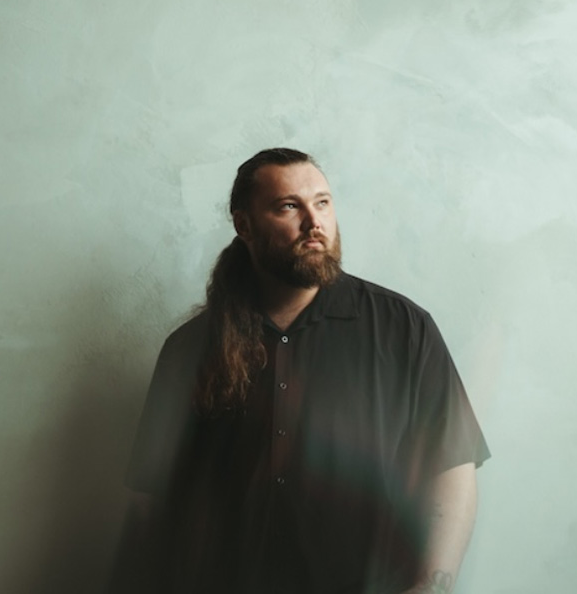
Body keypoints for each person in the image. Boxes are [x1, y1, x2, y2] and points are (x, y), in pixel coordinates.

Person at [113, 148, 490, 594]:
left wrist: (431, 586)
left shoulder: (404, 329)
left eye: (323, 203)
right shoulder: (190, 349)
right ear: (244, 225)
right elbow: (151, 499)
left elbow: (451, 467)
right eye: (289, 206)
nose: (315, 223)